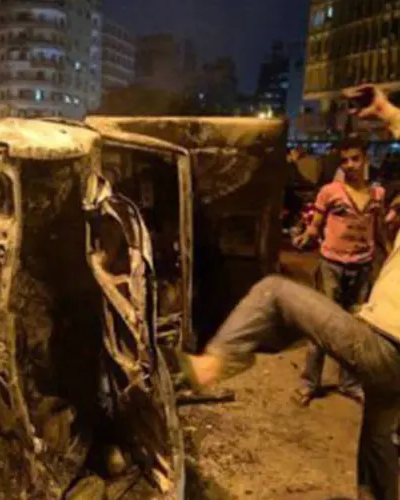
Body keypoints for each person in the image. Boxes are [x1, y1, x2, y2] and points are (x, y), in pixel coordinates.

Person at [180, 84, 400, 500]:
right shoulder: (335, 194)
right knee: (376, 442)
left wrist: (387, 112)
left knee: (275, 292)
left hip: (386, 347)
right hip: (385, 353)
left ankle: (213, 364)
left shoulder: (373, 198)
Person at [292, 135, 388, 406]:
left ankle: (350, 383)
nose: (349, 165)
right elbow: (316, 225)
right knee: (322, 326)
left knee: (355, 330)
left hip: (362, 267)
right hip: (332, 266)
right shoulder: (330, 192)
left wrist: (390, 256)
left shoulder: (376, 194)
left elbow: (378, 229)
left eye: (355, 159)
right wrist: (306, 237)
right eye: (344, 160)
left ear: (365, 160)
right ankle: (309, 383)